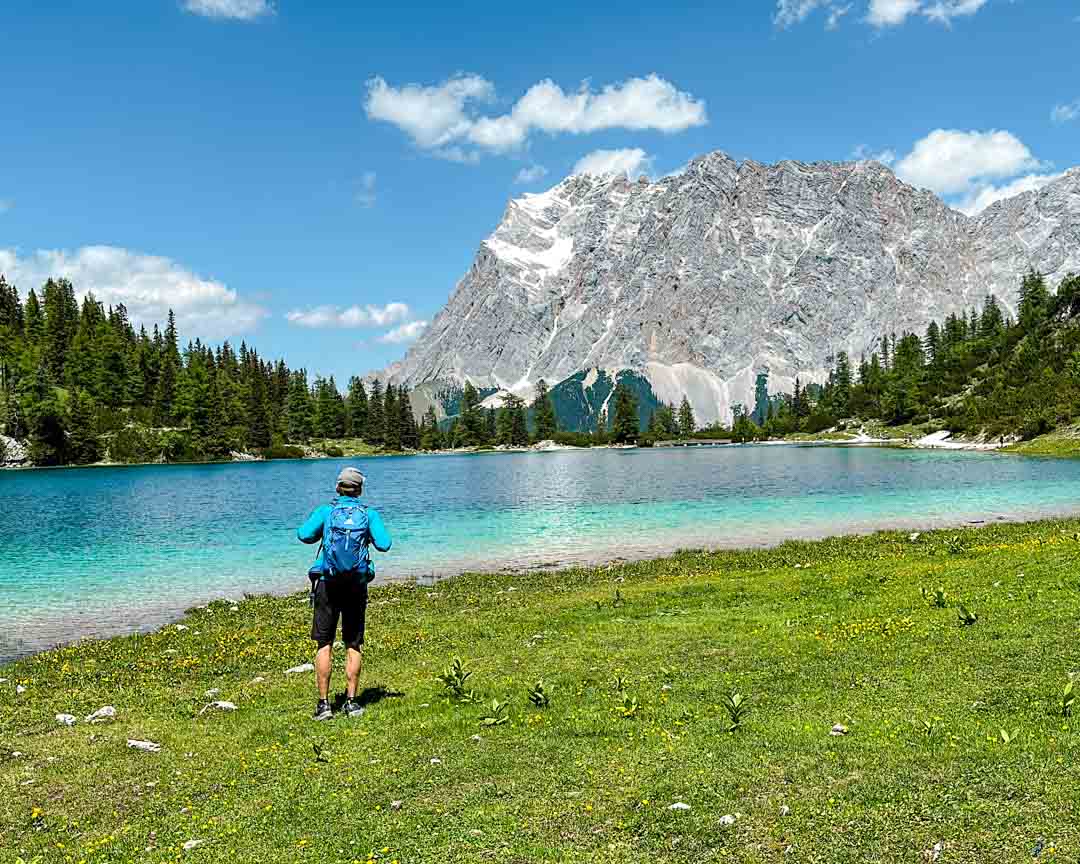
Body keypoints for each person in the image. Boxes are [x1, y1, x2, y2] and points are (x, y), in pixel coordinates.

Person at [297, 466, 392, 720]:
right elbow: (385, 544)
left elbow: (303, 535)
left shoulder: (326, 511)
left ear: (338, 487)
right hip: (356, 585)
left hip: (328, 583)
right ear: (359, 489)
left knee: (324, 642)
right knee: (353, 643)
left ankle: (324, 705)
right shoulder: (368, 514)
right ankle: (351, 703)